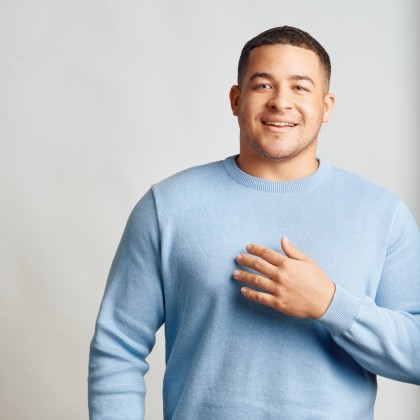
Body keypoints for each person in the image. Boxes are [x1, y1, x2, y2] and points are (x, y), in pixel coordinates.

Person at [88, 26, 420, 419]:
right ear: (236, 99)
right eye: (263, 85)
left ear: (326, 106)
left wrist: (330, 303)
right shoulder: (169, 205)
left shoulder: (381, 213)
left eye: (300, 87)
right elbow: (117, 347)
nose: (281, 102)